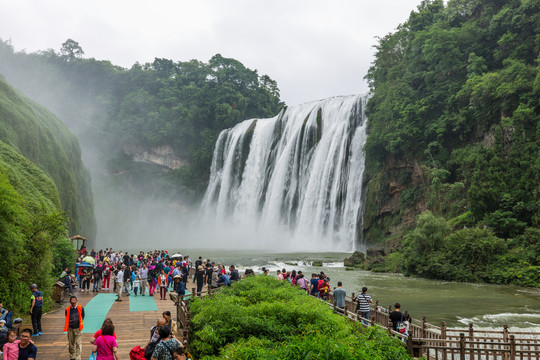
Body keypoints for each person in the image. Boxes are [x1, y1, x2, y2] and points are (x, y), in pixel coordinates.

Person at [64, 295, 85, 360]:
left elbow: (83, 316)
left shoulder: (80, 308)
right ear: (70, 302)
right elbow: (66, 317)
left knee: (78, 343)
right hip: (70, 328)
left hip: (78, 328)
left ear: (76, 301)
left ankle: (78, 357)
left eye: (74, 300)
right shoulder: (67, 309)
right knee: (71, 344)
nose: (73, 302)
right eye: (72, 301)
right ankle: (72, 356)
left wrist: (79, 325)